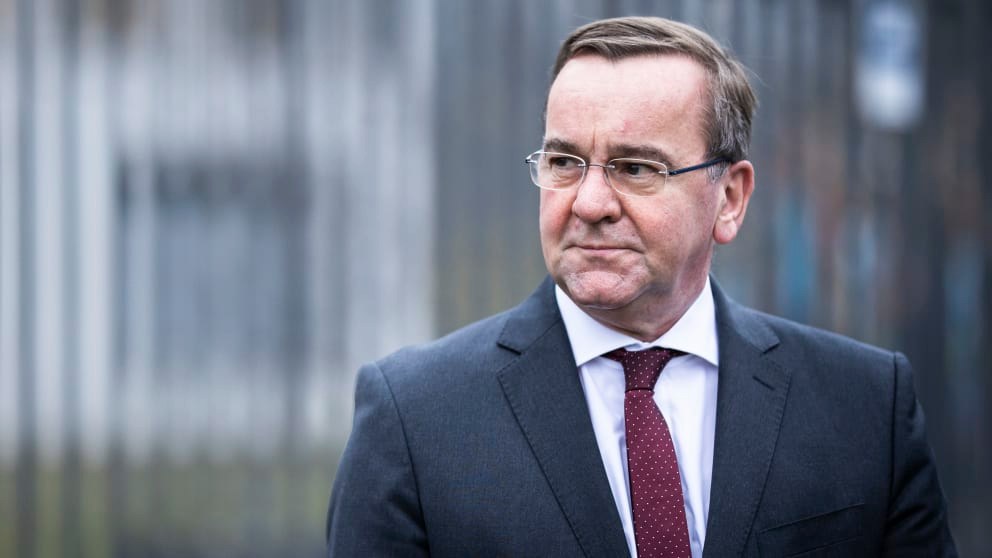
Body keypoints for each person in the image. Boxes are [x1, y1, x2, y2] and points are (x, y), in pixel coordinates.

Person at [326, 16, 956, 557]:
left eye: (635, 168)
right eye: (564, 163)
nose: (590, 203)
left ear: (730, 199)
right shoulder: (414, 420)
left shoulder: (865, 407)